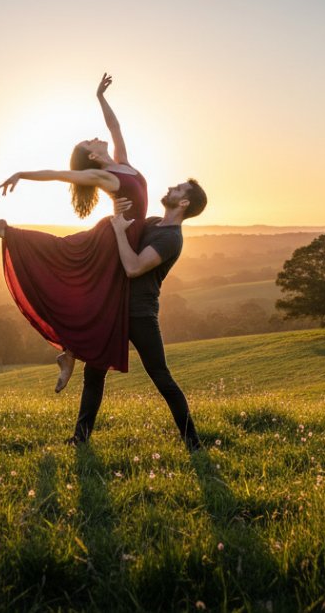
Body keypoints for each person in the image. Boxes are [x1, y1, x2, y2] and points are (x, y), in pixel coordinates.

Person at [0, 73, 147, 391]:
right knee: (68, 267)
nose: (95, 137)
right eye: (88, 142)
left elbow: (115, 127)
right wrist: (22, 173)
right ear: (92, 157)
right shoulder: (103, 175)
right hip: (112, 239)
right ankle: (7, 233)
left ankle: (69, 354)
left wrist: (101, 98)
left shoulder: (123, 163)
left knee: (94, 296)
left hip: (122, 234)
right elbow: (58, 174)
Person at [69, 179, 208, 450]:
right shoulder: (154, 222)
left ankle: (193, 444)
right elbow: (121, 229)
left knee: (161, 376)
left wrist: (120, 231)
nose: (170, 188)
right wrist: (116, 209)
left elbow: (133, 267)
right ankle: (80, 439)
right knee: (93, 374)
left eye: (177, 189)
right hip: (115, 310)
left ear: (184, 203)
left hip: (139, 314)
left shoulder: (171, 238)